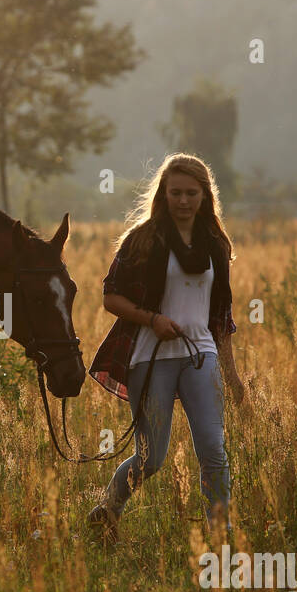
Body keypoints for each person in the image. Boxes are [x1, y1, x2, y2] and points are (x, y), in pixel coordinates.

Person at [86, 153, 245, 542]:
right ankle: (109, 509)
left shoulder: (216, 245)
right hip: (149, 356)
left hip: (200, 355)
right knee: (151, 458)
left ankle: (219, 533)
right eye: (176, 192)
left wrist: (233, 375)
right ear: (164, 192)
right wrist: (152, 319)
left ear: (206, 195)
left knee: (213, 450)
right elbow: (110, 298)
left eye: (192, 193)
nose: (184, 200)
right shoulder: (142, 239)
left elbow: (220, 317)